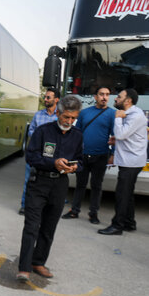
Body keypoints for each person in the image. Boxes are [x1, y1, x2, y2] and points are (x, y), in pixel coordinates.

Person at [17, 95, 83, 282]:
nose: (69, 122)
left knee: (49, 227)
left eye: (73, 118)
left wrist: (75, 167)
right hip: (39, 183)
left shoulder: (77, 135)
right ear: (58, 113)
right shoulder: (43, 131)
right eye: (66, 117)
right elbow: (31, 157)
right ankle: (24, 268)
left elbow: (81, 160)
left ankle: (38, 262)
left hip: (60, 185)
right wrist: (53, 162)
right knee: (31, 226)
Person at [61, 86, 115, 224]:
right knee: (80, 184)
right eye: (101, 94)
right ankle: (74, 211)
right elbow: (76, 133)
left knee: (97, 186)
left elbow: (115, 136)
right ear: (95, 97)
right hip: (82, 155)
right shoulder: (84, 113)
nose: (104, 97)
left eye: (107, 94)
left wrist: (113, 154)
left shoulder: (112, 114)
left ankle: (93, 214)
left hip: (101, 155)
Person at [98, 88, 148, 235]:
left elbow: (120, 134)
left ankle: (117, 226)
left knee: (122, 194)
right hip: (131, 160)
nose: (115, 99)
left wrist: (118, 118)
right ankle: (129, 223)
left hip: (131, 162)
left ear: (128, 100)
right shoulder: (132, 114)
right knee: (127, 193)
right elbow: (127, 136)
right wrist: (117, 142)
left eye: (119, 97)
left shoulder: (135, 115)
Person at [19, 88, 60, 215]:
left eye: (48, 97)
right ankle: (24, 206)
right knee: (29, 180)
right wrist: (41, 137)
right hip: (36, 153)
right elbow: (31, 131)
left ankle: (45, 208)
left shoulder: (60, 116)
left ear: (56, 100)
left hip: (52, 155)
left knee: (49, 183)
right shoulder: (38, 115)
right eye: (45, 97)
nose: (45, 99)